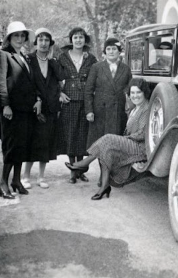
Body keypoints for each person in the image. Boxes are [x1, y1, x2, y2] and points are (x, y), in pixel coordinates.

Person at [66, 78, 151, 200]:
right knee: (107, 149)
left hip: (140, 148)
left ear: (144, 92)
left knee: (108, 138)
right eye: (132, 93)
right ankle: (104, 186)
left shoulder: (147, 108)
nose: (135, 96)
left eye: (138, 92)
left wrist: (124, 139)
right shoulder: (135, 108)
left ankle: (83, 164)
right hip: (132, 144)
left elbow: (143, 134)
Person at [0, 21, 40, 199]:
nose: (20, 39)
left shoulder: (24, 57)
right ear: (9, 38)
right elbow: (0, 83)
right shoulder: (3, 55)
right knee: (12, 146)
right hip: (11, 110)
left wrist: (37, 99)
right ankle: (3, 183)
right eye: (16, 36)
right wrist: (5, 105)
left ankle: (16, 181)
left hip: (26, 111)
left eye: (22, 36)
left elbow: (30, 83)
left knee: (22, 146)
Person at [84, 37, 132, 185]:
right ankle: (102, 176)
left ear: (119, 52)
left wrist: (129, 105)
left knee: (115, 145)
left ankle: (113, 176)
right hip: (100, 113)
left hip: (118, 112)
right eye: (108, 49)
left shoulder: (126, 69)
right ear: (105, 52)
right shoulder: (97, 67)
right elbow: (88, 90)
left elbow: (129, 89)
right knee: (102, 144)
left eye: (114, 49)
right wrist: (89, 111)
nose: (111, 51)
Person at [22, 28, 65, 189]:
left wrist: (52, 59)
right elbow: (26, 84)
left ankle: (41, 177)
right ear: (36, 42)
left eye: (47, 40)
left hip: (50, 109)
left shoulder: (53, 62)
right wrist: (37, 99)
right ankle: (25, 176)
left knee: (46, 142)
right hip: (34, 108)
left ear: (50, 43)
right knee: (32, 142)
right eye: (40, 40)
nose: (43, 43)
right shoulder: (28, 59)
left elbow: (61, 78)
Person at [57, 27, 97, 184]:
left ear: (84, 40)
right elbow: (55, 78)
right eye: (75, 37)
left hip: (86, 101)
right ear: (71, 40)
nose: (78, 40)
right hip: (69, 100)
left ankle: (80, 170)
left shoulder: (91, 59)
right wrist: (59, 94)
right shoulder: (63, 57)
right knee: (70, 134)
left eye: (81, 37)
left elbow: (95, 79)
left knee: (82, 135)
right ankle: (73, 170)